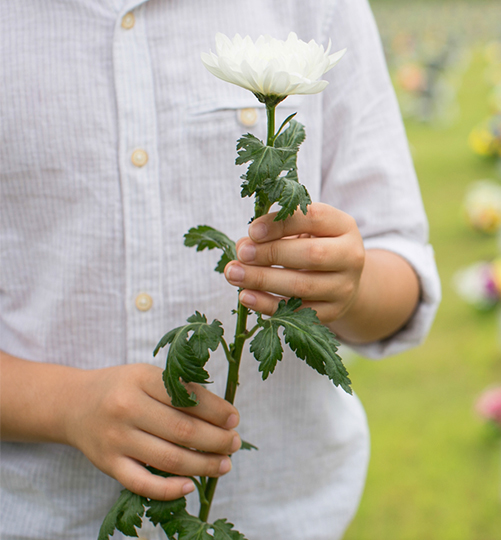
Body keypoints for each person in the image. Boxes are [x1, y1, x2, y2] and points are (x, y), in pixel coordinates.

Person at [0, 0, 441, 538]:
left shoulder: (316, 9)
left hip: (287, 516)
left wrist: (349, 285)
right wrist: (65, 406)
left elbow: (402, 270)